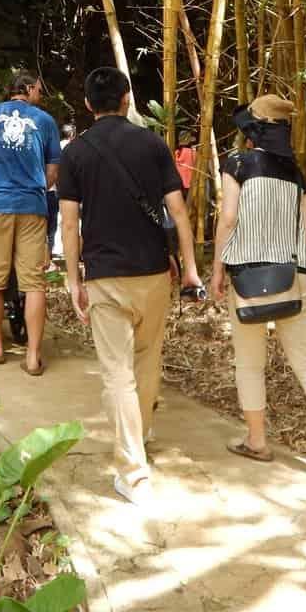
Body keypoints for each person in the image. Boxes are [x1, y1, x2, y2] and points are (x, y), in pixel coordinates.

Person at [58, 68, 203, 507]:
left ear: (87, 104)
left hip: (105, 276)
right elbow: (178, 213)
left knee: (117, 372)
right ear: (126, 99)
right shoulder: (153, 145)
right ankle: (138, 439)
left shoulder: (76, 153)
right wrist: (191, 268)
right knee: (146, 361)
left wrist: (72, 278)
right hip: (153, 274)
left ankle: (133, 473)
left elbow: (68, 222)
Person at [210, 95, 306, 479]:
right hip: (294, 274)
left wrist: (216, 271)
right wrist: (303, 275)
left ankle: (257, 441)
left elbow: (228, 219)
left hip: (247, 276)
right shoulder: (297, 174)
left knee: (250, 363)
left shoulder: (237, 164)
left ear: (253, 131)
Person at [0, 71, 62, 375]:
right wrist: (34, 189)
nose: (40, 96)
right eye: (39, 91)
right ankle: (32, 356)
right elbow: (53, 170)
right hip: (32, 207)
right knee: (34, 283)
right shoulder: (44, 121)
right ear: (29, 89)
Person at [49, 122, 76, 258]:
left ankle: (56, 248)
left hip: (55, 186)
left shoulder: (58, 145)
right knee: (69, 219)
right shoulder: (73, 147)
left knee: (59, 220)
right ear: (72, 134)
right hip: (66, 186)